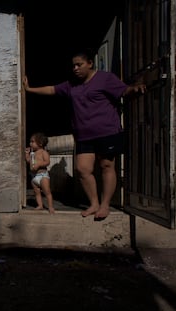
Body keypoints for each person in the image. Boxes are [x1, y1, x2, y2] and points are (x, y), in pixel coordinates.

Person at [23, 48, 146, 220]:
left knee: (106, 166)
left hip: (107, 131)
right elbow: (52, 90)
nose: (75, 69)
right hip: (83, 135)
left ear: (90, 63)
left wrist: (135, 89)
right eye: (73, 66)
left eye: (79, 65)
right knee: (82, 169)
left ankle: (105, 205)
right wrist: (29, 89)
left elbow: (124, 91)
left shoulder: (105, 78)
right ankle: (94, 203)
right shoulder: (71, 84)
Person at [25, 132, 55, 213]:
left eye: (32, 142)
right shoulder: (32, 153)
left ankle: (51, 207)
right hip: (34, 176)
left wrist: (39, 164)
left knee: (47, 192)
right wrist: (27, 155)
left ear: (40, 143)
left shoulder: (43, 152)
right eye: (30, 141)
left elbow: (47, 162)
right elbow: (28, 161)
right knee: (36, 192)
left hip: (43, 175)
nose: (30, 143)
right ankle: (40, 205)